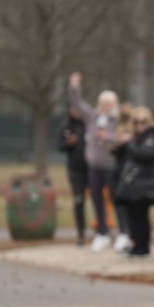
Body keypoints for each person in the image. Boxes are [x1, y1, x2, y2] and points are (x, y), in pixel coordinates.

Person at [67, 72, 122, 252]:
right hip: (94, 166)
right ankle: (102, 233)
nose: (106, 106)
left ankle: (123, 232)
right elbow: (78, 104)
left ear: (114, 104)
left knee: (116, 199)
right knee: (96, 199)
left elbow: (122, 138)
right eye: (103, 103)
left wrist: (108, 137)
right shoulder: (92, 117)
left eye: (109, 103)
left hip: (111, 166)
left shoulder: (118, 119)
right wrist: (75, 86)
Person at [115, 106, 154, 257]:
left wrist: (128, 143)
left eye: (143, 121)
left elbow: (145, 154)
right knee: (132, 215)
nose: (139, 125)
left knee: (141, 216)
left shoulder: (152, 137)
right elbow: (120, 157)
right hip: (132, 183)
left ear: (149, 122)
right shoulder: (135, 137)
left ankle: (142, 247)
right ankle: (135, 244)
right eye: (136, 121)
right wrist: (121, 145)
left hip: (145, 183)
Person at [57, 106, 88, 245]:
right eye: (74, 109)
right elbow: (59, 145)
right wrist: (68, 143)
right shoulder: (66, 125)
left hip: (91, 168)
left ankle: (102, 231)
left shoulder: (88, 124)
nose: (76, 112)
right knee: (78, 200)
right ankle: (81, 233)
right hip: (75, 169)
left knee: (100, 200)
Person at [110, 103, 136, 253]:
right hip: (119, 170)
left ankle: (129, 235)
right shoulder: (118, 130)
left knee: (129, 205)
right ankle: (123, 233)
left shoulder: (134, 132)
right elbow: (116, 152)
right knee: (119, 203)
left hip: (129, 172)